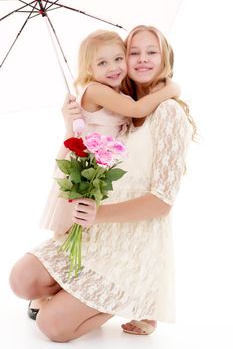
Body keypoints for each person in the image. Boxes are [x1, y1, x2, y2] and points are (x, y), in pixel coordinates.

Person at [9, 25, 195, 342]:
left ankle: (137, 297)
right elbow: (89, 147)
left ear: (165, 57)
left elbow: (162, 202)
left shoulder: (167, 112)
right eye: (134, 52)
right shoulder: (120, 103)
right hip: (97, 230)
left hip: (132, 239)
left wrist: (100, 214)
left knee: (52, 327)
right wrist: (71, 123)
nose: (141, 59)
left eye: (152, 52)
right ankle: (81, 294)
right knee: (21, 280)